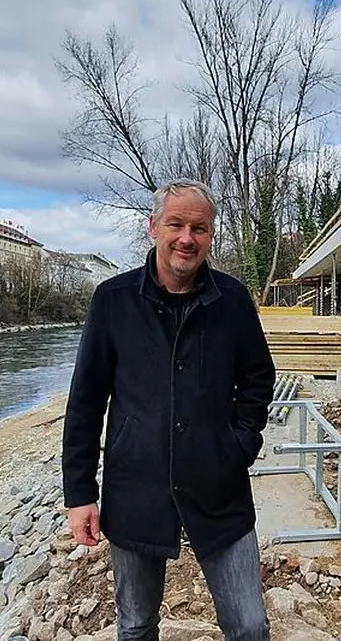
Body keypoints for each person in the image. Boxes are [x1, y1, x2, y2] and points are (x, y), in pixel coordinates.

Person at [61, 178, 276, 641]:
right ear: (153, 227)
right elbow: (85, 401)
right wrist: (80, 493)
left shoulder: (233, 300)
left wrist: (238, 445)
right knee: (136, 624)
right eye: (176, 224)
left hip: (220, 487)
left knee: (249, 625)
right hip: (136, 487)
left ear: (211, 235)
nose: (186, 238)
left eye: (199, 228)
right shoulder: (113, 301)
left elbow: (258, 378)